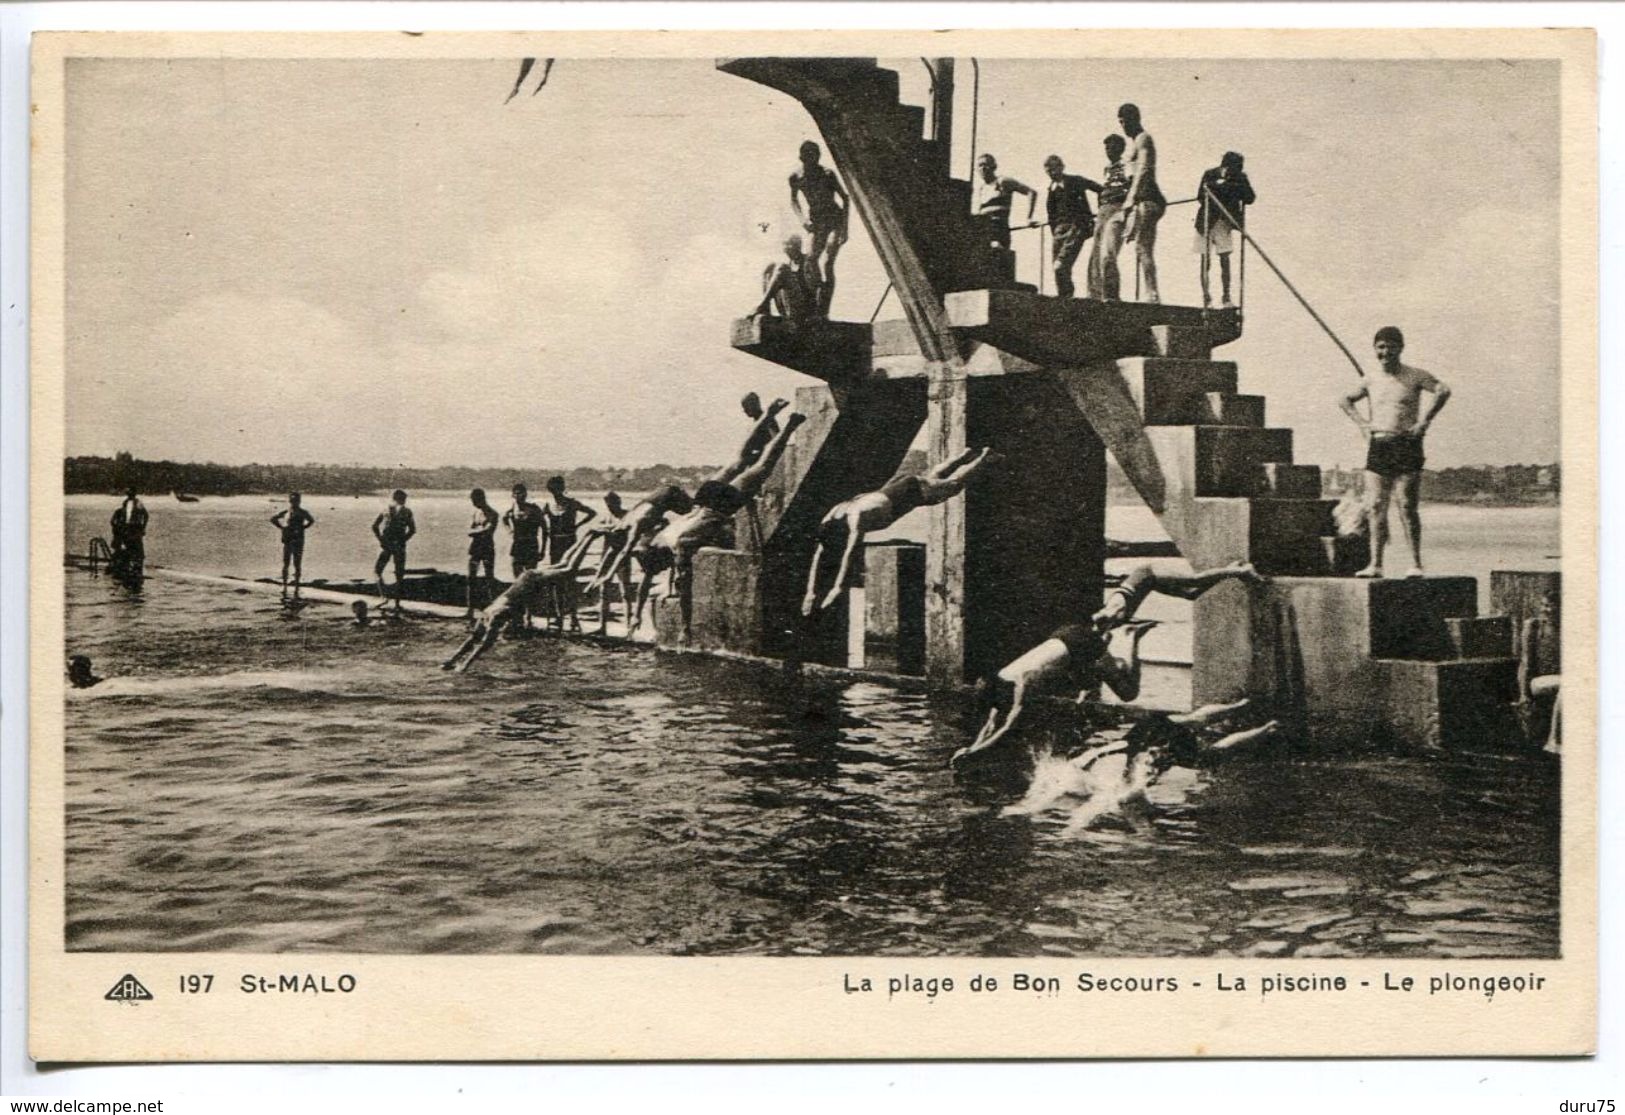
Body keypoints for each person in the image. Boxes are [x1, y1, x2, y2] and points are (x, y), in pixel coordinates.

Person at [950, 561, 1262, 767]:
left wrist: (979, 752)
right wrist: (973, 748)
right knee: (1191, 593)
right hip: (1069, 639)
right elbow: (995, 720)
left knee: (1128, 691)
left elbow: (1011, 722)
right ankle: (1231, 571)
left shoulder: (1022, 681)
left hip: (1078, 640)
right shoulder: (1005, 680)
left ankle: (1237, 570)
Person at [631, 402, 805, 634]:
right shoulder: (664, 535)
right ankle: (770, 414)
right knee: (738, 459)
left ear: (663, 560)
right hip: (703, 497)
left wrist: (685, 627)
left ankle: (791, 425)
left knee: (763, 466)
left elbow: (686, 591)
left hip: (721, 506)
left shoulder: (680, 548)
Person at [801, 447, 999, 618]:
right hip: (897, 486)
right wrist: (811, 592)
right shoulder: (830, 517)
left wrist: (837, 588)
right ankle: (963, 456)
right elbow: (818, 556)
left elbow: (849, 553)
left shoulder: (855, 520)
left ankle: (984, 458)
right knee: (932, 480)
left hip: (906, 492)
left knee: (952, 486)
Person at [1338, 327, 1452, 578]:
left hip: (1406, 445)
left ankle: (1416, 564)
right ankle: (1375, 565)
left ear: (1400, 348)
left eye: (1390, 347)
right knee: (1376, 505)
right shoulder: (1370, 379)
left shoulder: (1415, 375)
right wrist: (1362, 425)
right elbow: (1344, 400)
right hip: (1379, 445)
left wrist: (1424, 422)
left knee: (1407, 506)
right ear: (1375, 349)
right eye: (1380, 347)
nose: (1385, 352)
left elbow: (1443, 390)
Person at [441, 533, 600, 673]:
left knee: (569, 568)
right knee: (564, 564)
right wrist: (452, 661)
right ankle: (588, 535)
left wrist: (464, 665)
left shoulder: (493, 616)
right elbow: (474, 641)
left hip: (531, 582)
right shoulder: (488, 614)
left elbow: (482, 645)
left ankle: (590, 537)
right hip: (525, 578)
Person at [586, 482, 695, 607]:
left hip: (669, 496)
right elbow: (613, 553)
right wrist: (598, 578)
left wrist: (606, 576)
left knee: (698, 510)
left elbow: (623, 552)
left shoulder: (634, 527)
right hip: (660, 495)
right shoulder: (624, 522)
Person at [788, 140, 850, 316]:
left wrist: (845, 229)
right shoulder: (796, 177)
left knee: (828, 262)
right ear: (802, 158)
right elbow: (793, 200)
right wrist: (803, 220)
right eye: (808, 158)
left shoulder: (827, 174)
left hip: (834, 219)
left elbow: (845, 198)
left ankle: (825, 306)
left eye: (815, 158)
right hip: (816, 221)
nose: (812, 162)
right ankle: (817, 297)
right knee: (811, 260)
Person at [1194, 151, 1256, 308]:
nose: (1238, 171)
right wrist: (1222, 188)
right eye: (1236, 168)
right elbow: (1201, 195)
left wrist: (1228, 187)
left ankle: (1226, 297)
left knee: (1225, 259)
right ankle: (1206, 298)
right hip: (1206, 221)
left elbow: (1250, 197)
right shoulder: (1210, 174)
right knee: (1205, 260)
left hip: (1224, 222)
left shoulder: (1240, 178)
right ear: (1226, 166)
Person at [1118, 104, 1166, 303]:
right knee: (1141, 247)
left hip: (1148, 198)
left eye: (1124, 121)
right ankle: (1150, 292)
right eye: (1120, 122)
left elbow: (1144, 168)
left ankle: (1152, 293)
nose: (1123, 126)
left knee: (1143, 247)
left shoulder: (1143, 138)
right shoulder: (1134, 143)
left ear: (1133, 119)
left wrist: (1131, 198)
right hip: (1141, 199)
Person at [538, 477, 597, 631]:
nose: (556, 492)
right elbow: (540, 523)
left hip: (570, 544)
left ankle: (573, 617)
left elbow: (592, 513)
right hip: (554, 546)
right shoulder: (548, 506)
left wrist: (577, 525)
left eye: (558, 488)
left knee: (570, 581)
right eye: (553, 489)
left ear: (562, 488)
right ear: (550, 490)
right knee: (556, 581)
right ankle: (558, 617)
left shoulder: (572, 503)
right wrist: (545, 537)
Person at [1041, 155, 1100, 299]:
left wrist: (1102, 210)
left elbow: (1099, 188)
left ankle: (1066, 296)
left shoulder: (1075, 181)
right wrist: (1055, 231)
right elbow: (1051, 215)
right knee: (1058, 267)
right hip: (1059, 230)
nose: (1052, 173)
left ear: (1061, 167)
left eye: (1054, 169)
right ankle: (1065, 296)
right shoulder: (1051, 190)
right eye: (1048, 171)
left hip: (1077, 226)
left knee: (1061, 263)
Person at [1086, 135, 1132, 301]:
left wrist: (1128, 211)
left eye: (1112, 147)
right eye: (1106, 147)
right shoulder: (1106, 168)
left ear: (1120, 148)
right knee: (1095, 254)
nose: (1109, 150)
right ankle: (1095, 294)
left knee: (1108, 252)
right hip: (1103, 210)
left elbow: (1133, 185)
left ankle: (1111, 294)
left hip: (1118, 207)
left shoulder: (1126, 165)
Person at [738, 392, 782, 551]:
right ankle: (755, 543)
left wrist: (758, 454)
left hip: (763, 470)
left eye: (745, 407)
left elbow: (777, 441)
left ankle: (760, 544)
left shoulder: (768, 420)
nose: (744, 411)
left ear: (753, 404)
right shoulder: (758, 421)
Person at [752, 235, 821, 323]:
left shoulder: (807, 261)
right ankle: (766, 308)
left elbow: (817, 287)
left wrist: (817, 314)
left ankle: (762, 305)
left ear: (798, 246)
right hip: (788, 307)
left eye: (789, 244)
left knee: (782, 268)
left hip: (804, 310)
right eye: (784, 244)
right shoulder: (790, 264)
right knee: (770, 267)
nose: (785, 248)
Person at [973, 154, 1037, 250]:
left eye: (986, 165)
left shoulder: (1003, 181)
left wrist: (1029, 217)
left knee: (996, 252)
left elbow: (1031, 192)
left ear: (994, 167)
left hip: (999, 229)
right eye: (980, 165)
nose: (983, 168)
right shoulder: (982, 188)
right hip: (984, 229)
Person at [371, 489, 416, 612]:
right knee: (399, 574)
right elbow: (412, 530)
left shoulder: (386, 510)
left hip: (387, 544)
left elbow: (374, 526)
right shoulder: (406, 511)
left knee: (377, 571)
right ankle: (396, 603)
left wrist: (381, 540)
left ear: (393, 498)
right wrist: (402, 541)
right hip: (399, 546)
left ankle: (384, 597)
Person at [269, 492, 315, 596]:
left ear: (299, 501)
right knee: (286, 562)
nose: (294, 502)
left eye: (296, 500)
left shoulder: (303, 512)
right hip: (288, 539)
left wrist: (303, 528)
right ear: (290, 501)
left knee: (297, 563)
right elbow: (273, 519)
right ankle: (284, 585)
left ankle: (296, 586)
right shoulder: (286, 512)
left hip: (298, 540)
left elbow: (311, 521)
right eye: (293, 500)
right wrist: (282, 528)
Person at [465, 488, 499, 618]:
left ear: (481, 499)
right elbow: (469, 530)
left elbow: (488, 531)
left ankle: (493, 610)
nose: (473, 503)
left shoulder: (493, 514)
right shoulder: (476, 512)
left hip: (487, 548)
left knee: (489, 578)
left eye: (475, 500)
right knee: (471, 578)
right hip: (475, 548)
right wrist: (479, 530)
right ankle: (470, 610)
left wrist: (477, 530)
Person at [109, 488, 149, 577]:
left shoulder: (138, 503)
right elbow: (121, 515)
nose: (129, 495)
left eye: (131, 493)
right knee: (126, 547)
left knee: (137, 549)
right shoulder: (125, 502)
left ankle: (136, 568)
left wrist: (143, 527)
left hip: (135, 528)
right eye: (128, 493)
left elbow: (145, 515)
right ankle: (126, 567)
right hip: (126, 528)